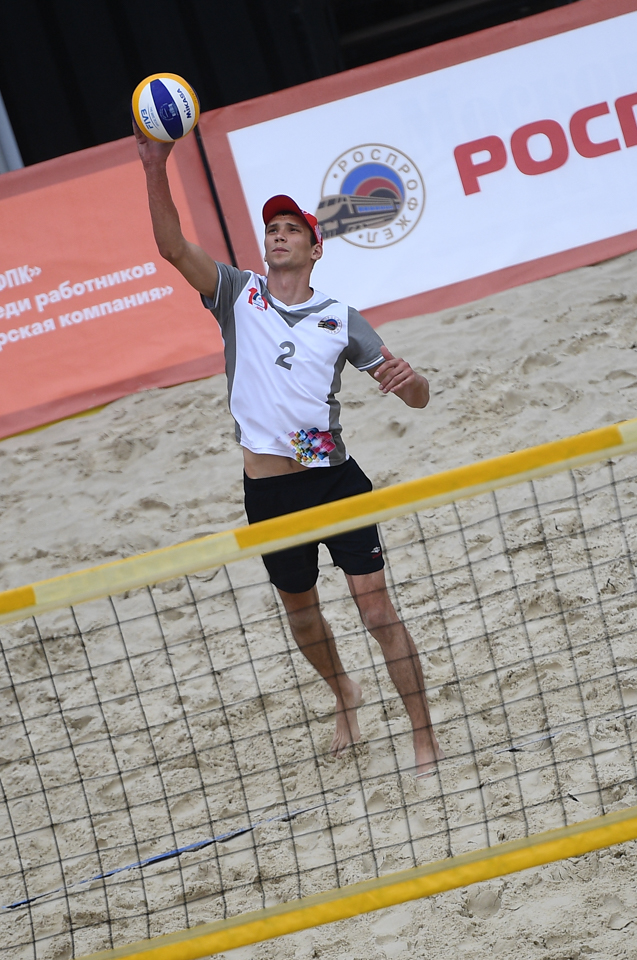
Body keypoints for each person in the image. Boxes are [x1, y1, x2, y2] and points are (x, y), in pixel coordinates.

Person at [135, 123, 442, 778]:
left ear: (314, 246)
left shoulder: (340, 319)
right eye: (272, 228)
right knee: (302, 617)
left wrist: (411, 381)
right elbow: (170, 246)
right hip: (269, 492)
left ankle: (424, 736)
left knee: (375, 608)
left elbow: (417, 399)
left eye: (291, 228)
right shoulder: (237, 294)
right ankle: (345, 694)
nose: (277, 234)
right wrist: (155, 164)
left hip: (333, 480)